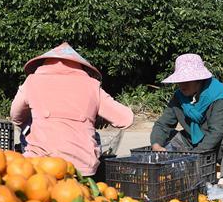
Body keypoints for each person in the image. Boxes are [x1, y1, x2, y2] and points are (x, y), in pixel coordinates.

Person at [10, 42, 133, 177]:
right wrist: (96, 115)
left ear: (44, 63)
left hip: (40, 164)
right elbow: (125, 118)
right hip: (82, 167)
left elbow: (16, 116)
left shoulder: (32, 81)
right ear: (80, 66)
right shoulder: (91, 85)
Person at [150, 54, 223, 187]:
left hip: (220, 148)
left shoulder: (219, 96)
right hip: (192, 144)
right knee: (167, 137)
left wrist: (194, 156)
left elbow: (216, 132)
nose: (182, 85)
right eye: (180, 81)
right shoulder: (179, 97)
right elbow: (163, 124)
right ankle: (166, 173)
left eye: (187, 81)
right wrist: (156, 145)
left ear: (199, 80)